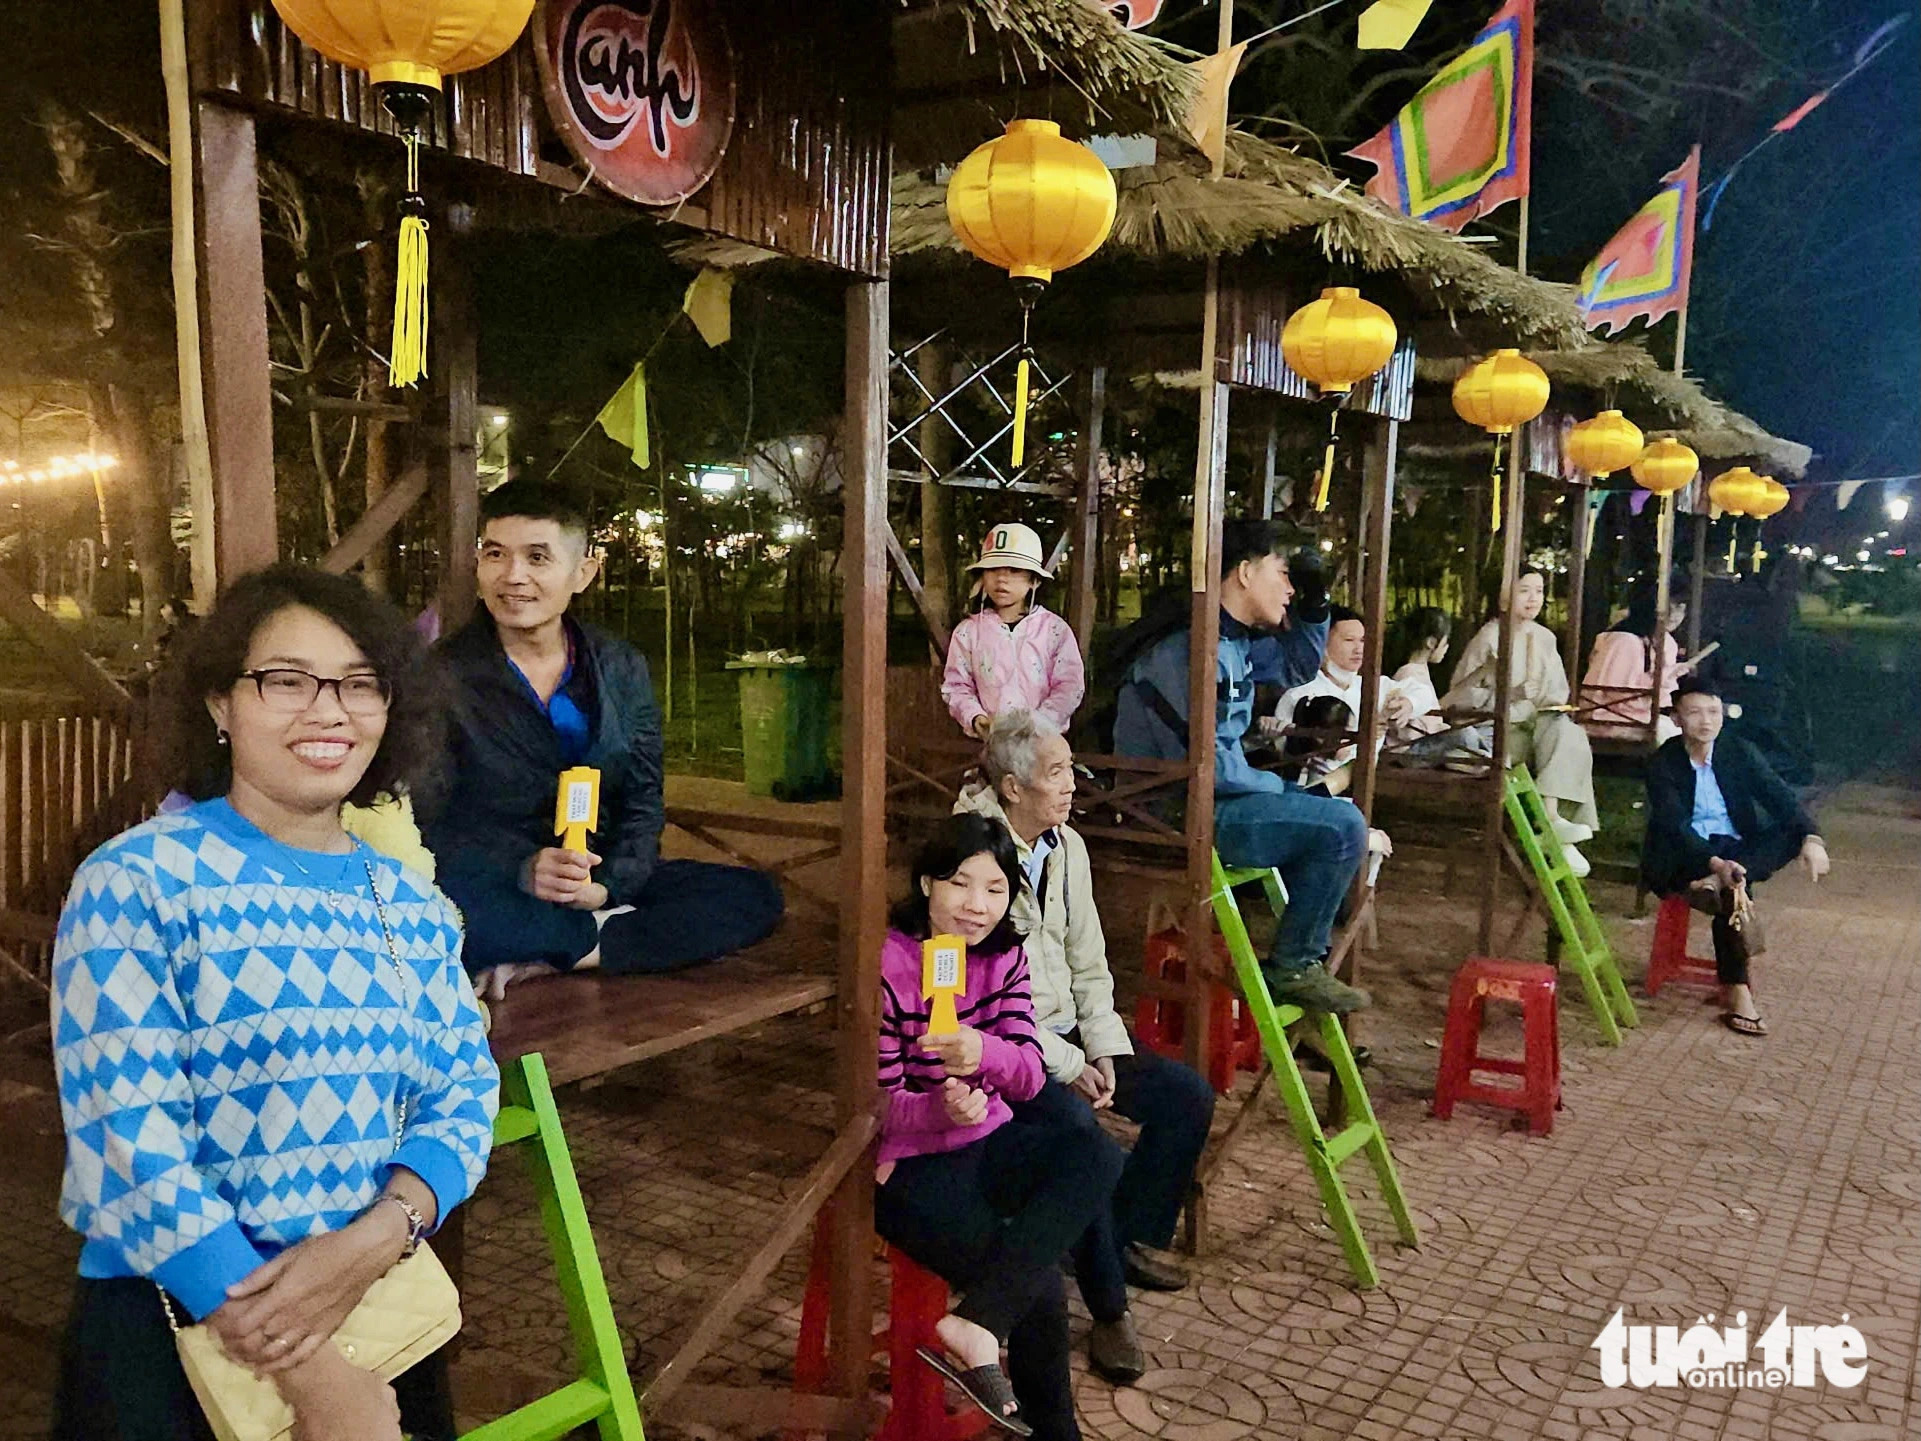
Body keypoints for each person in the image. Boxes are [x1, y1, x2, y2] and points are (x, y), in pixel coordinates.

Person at [49, 565, 499, 1441]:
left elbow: (462, 1092)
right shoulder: (138, 880)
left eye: (359, 683)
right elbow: (129, 1142)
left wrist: (380, 1231)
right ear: (221, 703)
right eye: (286, 680)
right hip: (178, 1328)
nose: (327, 711)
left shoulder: (404, 902)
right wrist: (310, 1374)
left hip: (372, 1311)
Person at [427, 481, 784, 998]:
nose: (513, 576)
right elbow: (428, 822)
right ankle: (581, 943)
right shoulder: (441, 677)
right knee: (447, 921)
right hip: (497, 885)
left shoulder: (618, 666)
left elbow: (642, 797)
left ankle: (570, 949)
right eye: (495, 554)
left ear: (583, 573)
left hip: (595, 882)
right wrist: (522, 868)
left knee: (753, 894)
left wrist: (608, 885)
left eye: (537, 557)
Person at [955, 711, 1216, 1384]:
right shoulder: (967, 858)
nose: (1071, 785)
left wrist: (1100, 1049)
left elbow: (1089, 961)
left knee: (1185, 1097)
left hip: (1069, 1029)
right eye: (1055, 772)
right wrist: (1068, 1067)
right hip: (1000, 1046)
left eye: (1071, 768)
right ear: (1011, 788)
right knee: (1079, 1134)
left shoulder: (1066, 845)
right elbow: (982, 1001)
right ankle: (1108, 1307)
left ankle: (1116, 1236)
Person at [876, 814, 1123, 1439]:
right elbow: (877, 1104)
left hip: (988, 1138)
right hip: (910, 1165)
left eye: (994, 889)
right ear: (927, 883)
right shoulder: (887, 960)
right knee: (1037, 1287)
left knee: (1095, 1153)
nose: (976, 906)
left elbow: (1031, 1073)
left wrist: (982, 1053)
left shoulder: (1006, 954)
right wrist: (939, 1109)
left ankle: (978, 1320)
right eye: (960, 884)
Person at [1113, 519, 1371, 1014]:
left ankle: (1300, 961)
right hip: (1177, 811)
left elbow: (1297, 665)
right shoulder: (1190, 650)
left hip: (1212, 799)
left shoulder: (1231, 641)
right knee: (1341, 827)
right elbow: (1213, 766)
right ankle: (1293, 964)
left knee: (1335, 823)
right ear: (1246, 572)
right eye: (1284, 572)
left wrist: (1317, 606)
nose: (1291, 588)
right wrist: (1290, 792)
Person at [1642, 678, 1829, 1038]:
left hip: (1735, 849)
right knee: (1733, 891)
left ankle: (1726, 878)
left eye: (1714, 712)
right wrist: (1715, 864)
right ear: (1677, 718)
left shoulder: (1737, 751)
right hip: (1685, 854)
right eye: (1694, 712)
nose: (1706, 721)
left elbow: (1780, 797)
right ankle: (1738, 992)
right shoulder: (1663, 762)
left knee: (1787, 835)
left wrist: (1811, 837)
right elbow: (1675, 827)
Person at [1442, 565, 1600, 877]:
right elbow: (1459, 698)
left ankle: (1552, 819)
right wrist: (1510, 695)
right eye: (1524, 590)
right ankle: (1560, 838)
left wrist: (1546, 698)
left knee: (1568, 734)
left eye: (1539, 591)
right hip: (1501, 730)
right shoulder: (1489, 637)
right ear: (1503, 598)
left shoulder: (1545, 637)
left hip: (1537, 723)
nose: (1533, 599)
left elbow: (1557, 692)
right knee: (1561, 742)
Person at [942, 523, 1086, 737]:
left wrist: (1038, 725)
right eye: (992, 569)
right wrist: (975, 717)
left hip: (1043, 745)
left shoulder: (1054, 630)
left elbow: (1069, 685)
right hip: (991, 745)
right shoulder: (968, 633)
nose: (1001, 578)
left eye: (1014, 570)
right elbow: (957, 686)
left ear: (1034, 581)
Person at [1266, 605, 1416, 779]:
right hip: (1308, 790)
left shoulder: (1375, 686)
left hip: (1357, 794)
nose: (1358, 649)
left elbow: (1419, 691)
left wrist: (1409, 703)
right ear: (1323, 641)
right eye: (1349, 640)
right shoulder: (1300, 692)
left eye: (1362, 641)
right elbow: (1283, 747)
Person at [1582, 587, 1691, 744]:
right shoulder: (1624, 640)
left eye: (1680, 607)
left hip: (1641, 714)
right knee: (1675, 736)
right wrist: (1665, 677)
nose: (1674, 615)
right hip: (1608, 718)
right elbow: (1618, 694)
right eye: (1668, 607)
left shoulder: (1666, 641)